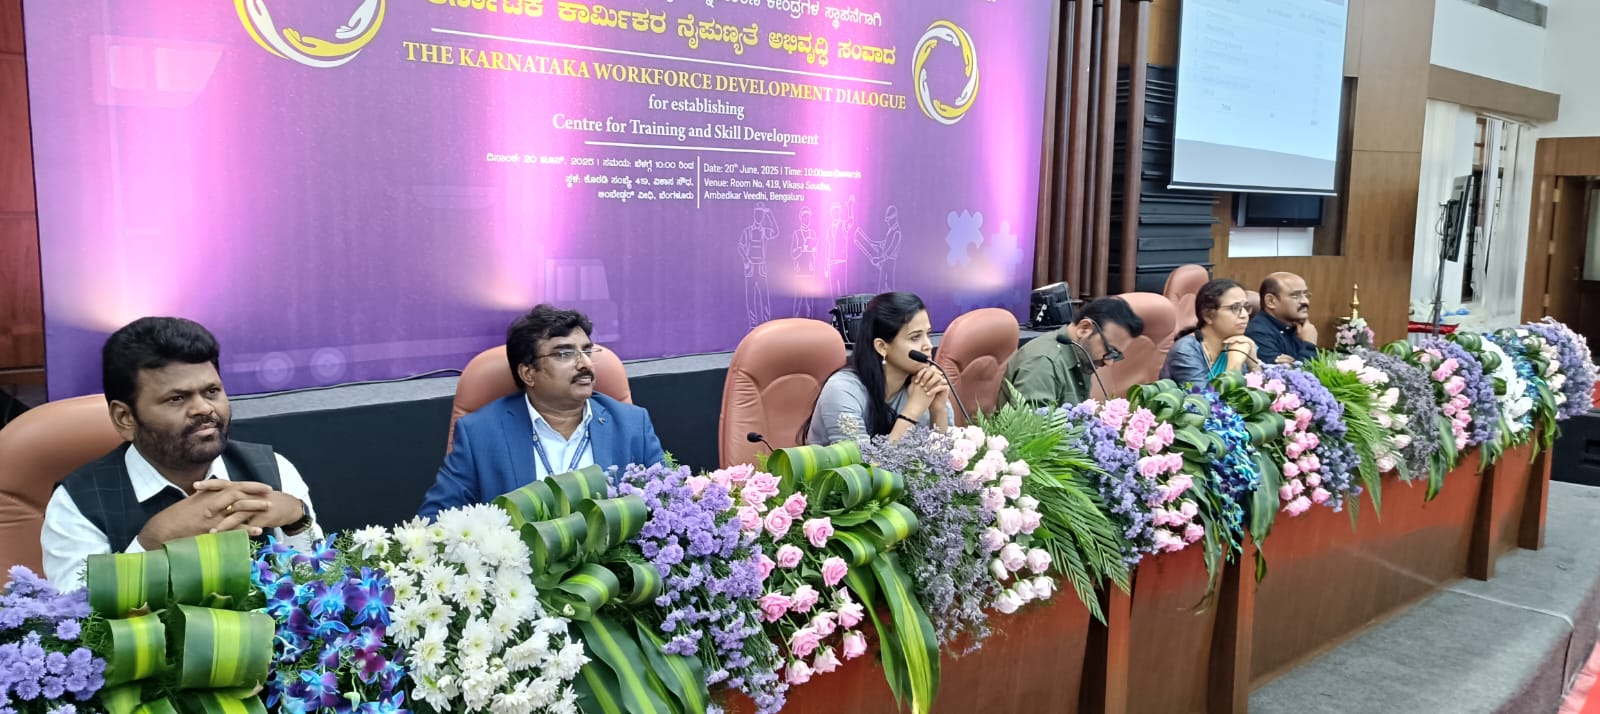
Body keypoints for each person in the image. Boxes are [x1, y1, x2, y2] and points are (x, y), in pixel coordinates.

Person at [42, 318, 320, 587]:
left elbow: (320, 592)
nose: (204, 408)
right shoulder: (77, 504)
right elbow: (75, 614)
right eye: (176, 399)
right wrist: (150, 544)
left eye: (211, 391)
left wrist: (297, 521)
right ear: (125, 418)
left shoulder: (272, 471)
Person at [419, 305, 664, 518]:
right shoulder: (480, 433)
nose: (586, 364)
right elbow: (436, 520)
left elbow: (667, 504)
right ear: (528, 373)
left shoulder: (632, 424)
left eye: (587, 351)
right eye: (565, 354)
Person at [805, 292, 954, 445]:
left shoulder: (924, 384)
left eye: (928, 334)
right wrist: (913, 410)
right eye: (915, 337)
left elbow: (944, 456)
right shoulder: (842, 390)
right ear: (882, 347)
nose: (928, 345)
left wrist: (938, 410)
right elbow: (861, 459)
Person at [1001, 296, 1145, 408]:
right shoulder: (1042, 363)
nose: (1109, 362)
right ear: (1084, 328)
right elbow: (1034, 431)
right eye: (1110, 350)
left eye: (1116, 356)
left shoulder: (1080, 354)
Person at [1161, 278, 1260, 386]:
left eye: (1245, 307)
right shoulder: (1186, 351)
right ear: (1208, 315)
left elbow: (1263, 392)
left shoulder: (1238, 343)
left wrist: (1253, 364)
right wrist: (1234, 365)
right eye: (1235, 308)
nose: (1244, 315)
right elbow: (1200, 395)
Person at [1247, 272, 1318, 364]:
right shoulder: (1258, 333)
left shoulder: (1300, 327)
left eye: (1306, 295)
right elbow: (1293, 373)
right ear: (1271, 301)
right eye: (1295, 296)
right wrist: (1309, 345)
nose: (1305, 301)